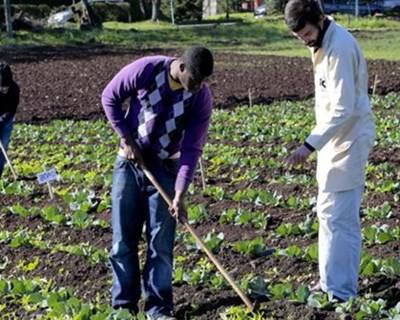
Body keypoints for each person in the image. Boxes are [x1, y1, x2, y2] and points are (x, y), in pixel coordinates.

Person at [102, 46, 214, 319]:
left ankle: (159, 309)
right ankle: (124, 307)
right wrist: (127, 139)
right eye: (195, 80)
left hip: (166, 167)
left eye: (203, 82)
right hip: (129, 163)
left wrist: (180, 192)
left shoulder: (201, 98)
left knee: (160, 244)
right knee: (123, 241)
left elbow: (192, 148)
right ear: (182, 67)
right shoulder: (148, 69)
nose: (197, 87)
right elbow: (109, 97)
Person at [284, 0, 376, 302]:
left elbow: (343, 107)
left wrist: (309, 145)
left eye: (307, 34)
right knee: (326, 213)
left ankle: (342, 291)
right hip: (332, 141)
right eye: (300, 38)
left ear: (320, 20)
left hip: (348, 141)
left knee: (341, 218)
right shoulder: (321, 42)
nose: (306, 41)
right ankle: (327, 282)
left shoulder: (340, 47)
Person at [0, 62, 20, 178]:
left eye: (6, 88)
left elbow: (11, 110)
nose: (4, 90)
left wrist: (1, 121)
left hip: (6, 120)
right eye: (2, 88)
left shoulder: (14, 89)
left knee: (2, 148)